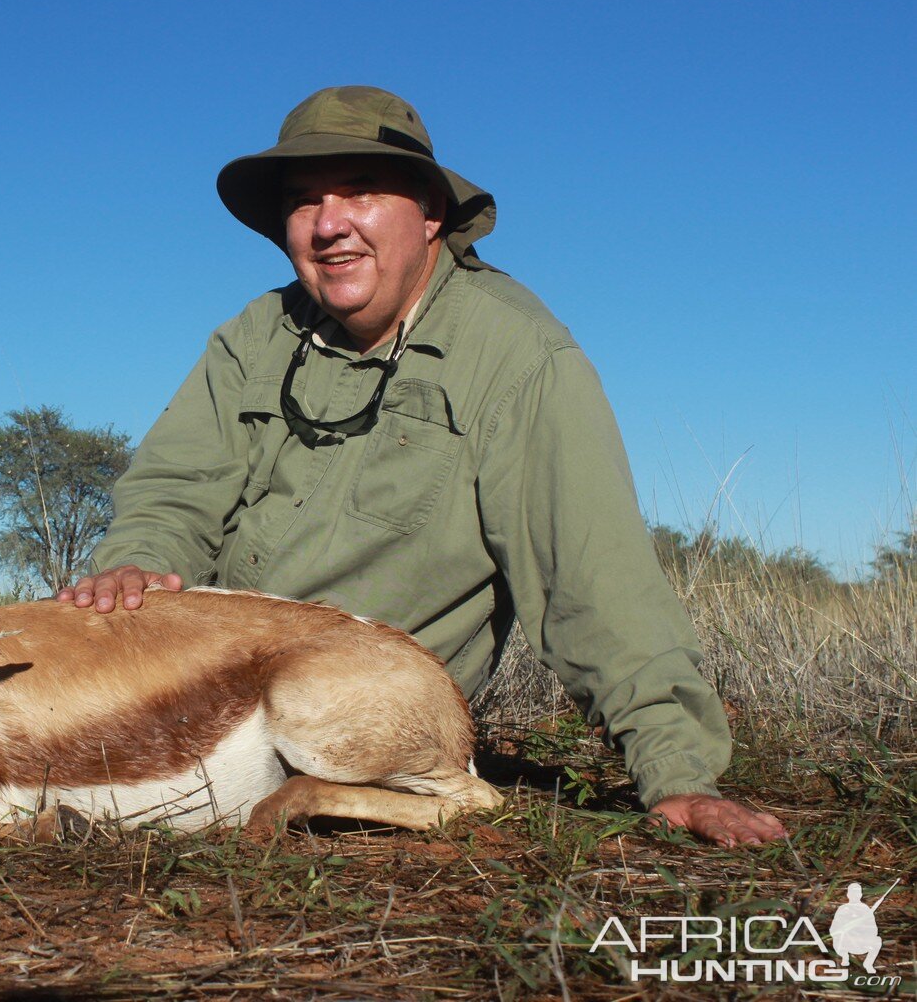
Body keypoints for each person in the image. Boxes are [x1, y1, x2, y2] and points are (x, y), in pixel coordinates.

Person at [58, 86, 786, 848]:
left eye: (361, 193)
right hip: (194, 688)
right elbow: (174, 491)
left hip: (351, 721)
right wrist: (137, 561)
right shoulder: (255, 335)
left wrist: (679, 777)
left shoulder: (520, 356)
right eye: (304, 202)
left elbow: (593, 583)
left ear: (432, 211)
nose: (329, 224)